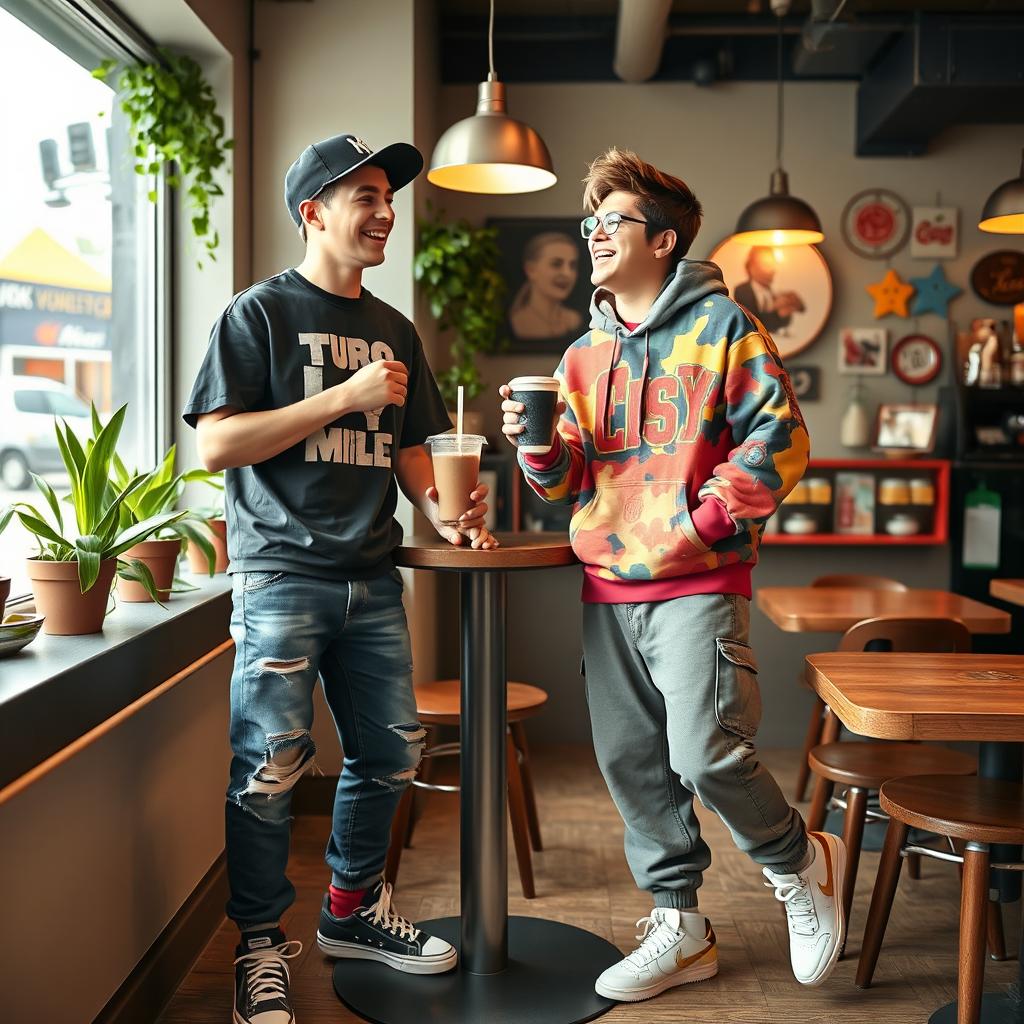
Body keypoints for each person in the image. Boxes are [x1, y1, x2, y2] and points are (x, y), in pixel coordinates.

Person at [499, 148, 845, 1004]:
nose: (593, 237)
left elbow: (782, 439)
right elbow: (566, 481)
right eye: (589, 223)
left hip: (697, 581)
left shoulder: (727, 330)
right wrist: (535, 444)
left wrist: (703, 522)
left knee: (707, 753)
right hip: (607, 585)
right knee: (631, 764)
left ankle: (802, 861)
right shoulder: (582, 354)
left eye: (609, 222)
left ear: (661, 238)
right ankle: (679, 924)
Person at [183, 132, 497, 1024]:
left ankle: (352, 913)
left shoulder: (395, 329)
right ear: (313, 211)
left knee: (391, 753)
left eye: (388, 197)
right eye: (365, 197)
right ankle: (258, 946)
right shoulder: (257, 316)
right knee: (272, 767)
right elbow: (216, 444)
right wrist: (340, 398)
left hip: (372, 577)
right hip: (280, 575)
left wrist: (443, 512)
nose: (385, 212)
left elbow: (407, 452)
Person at [508, 231, 584, 341]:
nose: (567, 273)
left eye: (572, 265)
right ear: (531, 270)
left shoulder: (574, 319)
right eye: (556, 264)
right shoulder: (519, 320)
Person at [733, 245, 805, 334]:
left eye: (773, 264)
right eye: (766, 265)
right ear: (752, 267)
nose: (773, 270)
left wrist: (787, 310)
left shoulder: (774, 293)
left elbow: (785, 323)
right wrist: (777, 312)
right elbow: (751, 325)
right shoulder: (742, 291)